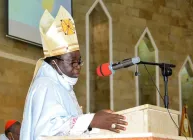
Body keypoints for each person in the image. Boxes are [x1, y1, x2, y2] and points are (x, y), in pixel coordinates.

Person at [20, 6, 128, 140]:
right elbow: (47, 132)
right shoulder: (45, 85)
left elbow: (70, 129)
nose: (78, 67)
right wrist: (91, 120)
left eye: (79, 61)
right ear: (54, 62)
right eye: (72, 62)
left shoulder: (64, 87)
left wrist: (97, 120)